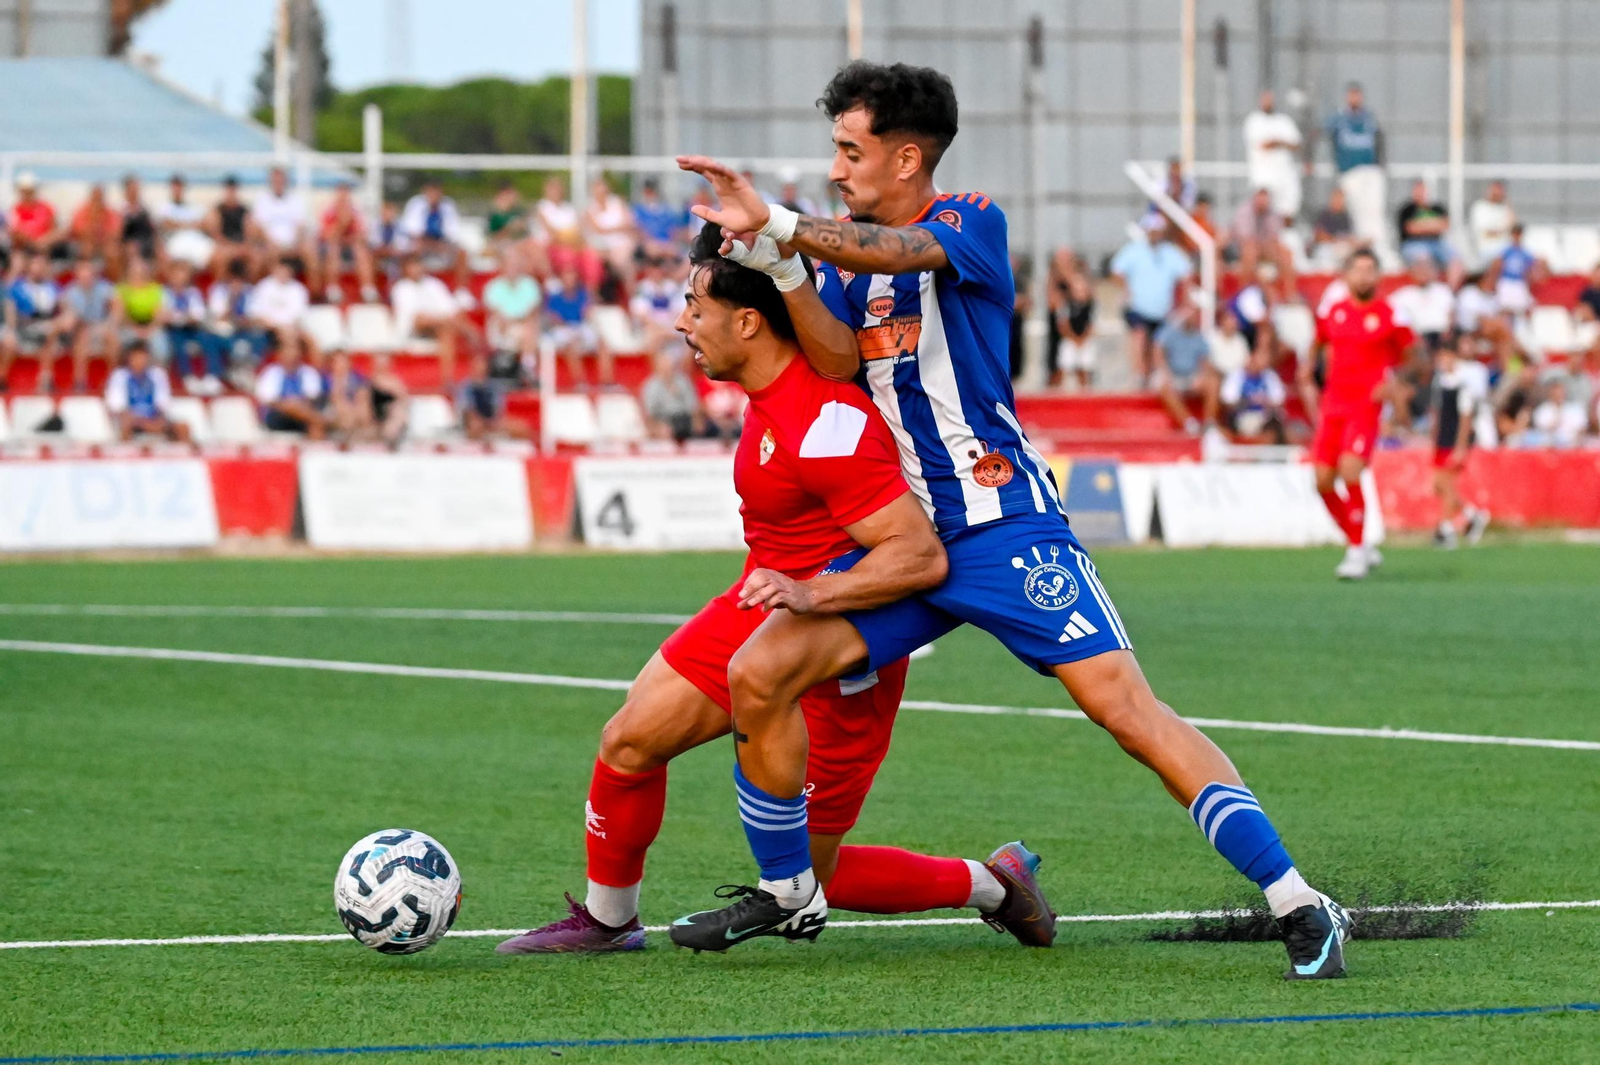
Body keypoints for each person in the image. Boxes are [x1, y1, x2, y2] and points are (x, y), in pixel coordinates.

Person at [672, 60, 1352, 979]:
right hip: (909, 542)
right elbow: (834, 361)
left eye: (851, 149)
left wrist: (786, 226)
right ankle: (793, 893)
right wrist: (784, 262)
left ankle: (1298, 901)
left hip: (1004, 528)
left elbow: (896, 255)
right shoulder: (848, 260)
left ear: (907, 157)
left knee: (1127, 712)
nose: (838, 167)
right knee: (762, 669)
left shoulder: (968, 220)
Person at [497, 223, 1050, 956]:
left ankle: (994, 882)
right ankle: (608, 922)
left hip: (837, 649)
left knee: (819, 878)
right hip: (759, 607)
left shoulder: (830, 423)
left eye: (696, 306)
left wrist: (811, 594)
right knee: (628, 741)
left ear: (748, 322)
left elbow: (918, 557)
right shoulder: (772, 393)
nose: (681, 322)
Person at [1305, 249, 1412, 581]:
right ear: (1347, 275)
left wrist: (1395, 384)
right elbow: (1318, 345)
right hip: (1333, 403)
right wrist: (1308, 372)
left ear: (1378, 276)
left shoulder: (1389, 314)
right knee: (1322, 481)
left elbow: (1413, 356)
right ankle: (1359, 542)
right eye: (1359, 269)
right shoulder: (1334, 313)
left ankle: (1354, 552)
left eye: (1371, 269)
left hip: (1364, 405)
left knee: (1350, 468)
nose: (1365, 276)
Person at [1111, 220, 1192, 385]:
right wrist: (1126, 290)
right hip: (1138, 307)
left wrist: (1184, 299)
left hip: (1161, 310)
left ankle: (1152, 376)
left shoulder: (1170, 253)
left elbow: (1186, 275)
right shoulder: (1134, 250)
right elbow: (1116, 271)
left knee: (1156, 344)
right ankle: (1139, 374)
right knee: (1139, 335)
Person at [1428, 340, 1490, 548]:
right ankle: (1471, 514)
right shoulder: (1440, 383)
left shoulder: (1462, 386)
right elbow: (1437, 414)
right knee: (1440, 485)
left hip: (1453, 441)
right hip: (1441, 441)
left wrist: (1461, 447)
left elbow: (1465, 418)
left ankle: (1447, 528)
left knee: (1446, 483)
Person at [1321, 82, 1387, 256]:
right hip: (1349, 171)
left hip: (1370, 170)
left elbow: (1379, 139)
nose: (1354, 98)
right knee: (1355, 211)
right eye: (1352, 94)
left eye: (1357, 95)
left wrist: (1380, 165)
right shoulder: (1339, 118)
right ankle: (1358, 249)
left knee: (1373, 210)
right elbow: (1321, 134)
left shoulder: (1369, 117)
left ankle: (1376, 247)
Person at [391, 254, 470, 388]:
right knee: (446, 325)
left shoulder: (434, 284)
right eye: (412, 266)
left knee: (446, 331)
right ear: (405, 269)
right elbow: (416, 318)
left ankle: (447, 378)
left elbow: (451, 309)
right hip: (413, 329)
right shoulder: (401, 288)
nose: (416, 269)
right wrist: (444, 319)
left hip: (438, 326)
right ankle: (469, 332)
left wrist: (445, 320)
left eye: (417, 265)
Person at [0, 252, 70, 393]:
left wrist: (63, 319)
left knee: (52, 331)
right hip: (23, 327)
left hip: (47, 327)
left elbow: (65, 308)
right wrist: (11, 330)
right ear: (29, 266)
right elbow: (11, 311)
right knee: (9, 340)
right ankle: (2, 377)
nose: (39, 267)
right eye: (36, 264)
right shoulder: (17, 287)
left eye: (43, 264)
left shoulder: (53, 287)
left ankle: (45, 379)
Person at [1150, 301, 1219, 435]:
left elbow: (1204, 360)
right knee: (1163, 384)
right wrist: (1165, 372)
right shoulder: (1170, 331)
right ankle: (1189, 423)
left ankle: (1209, 424)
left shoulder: (1199, 337)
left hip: (1191, 376)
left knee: (1213, 382)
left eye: (1193, 313)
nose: (1190, 316)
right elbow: (1158, 350)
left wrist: (1203, 374)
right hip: (1172, 374)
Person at [105, 339, 189, 442]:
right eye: (136, 357)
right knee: (126, 423)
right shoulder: (120, 376)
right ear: (129, 358)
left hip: (154, 418)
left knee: (182, 427)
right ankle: (125, 454)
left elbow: (164, 403)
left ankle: (180, 456)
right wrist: (140, 421)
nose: (140, 361)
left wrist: (157, 420)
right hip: (133, 421)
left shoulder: (157, 375)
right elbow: (116, 405)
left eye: (143, 357)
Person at [545, 265, 613, 390]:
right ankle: (580, 382)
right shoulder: (555, 298)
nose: (569, 280)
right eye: (566, 277)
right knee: (570, 345)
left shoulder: (583, 295)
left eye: (572, 277)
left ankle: (607, 382)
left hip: (580, 326)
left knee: (602, 343)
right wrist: (571, 329)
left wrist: (589, 306)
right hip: (563, 328)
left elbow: (586, 314)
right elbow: (554, 319)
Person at [398, 179, 470, 296]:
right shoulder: (416, 204)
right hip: (422, 245)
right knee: (413, 249)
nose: (433, 195)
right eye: (430, 191)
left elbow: (453, 232)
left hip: (441, 245)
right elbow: (413, 231)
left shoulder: (448, 206)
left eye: (436, 191)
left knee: (462, 253)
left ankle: (461, 291)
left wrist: (440, 245)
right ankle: (409, 285)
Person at [162, 259, 222, 396]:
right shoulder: (164, 292)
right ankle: (187, 376)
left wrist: (181, 317)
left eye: (182, 274)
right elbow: (165, 315)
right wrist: (182, 317)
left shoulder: (193, 293)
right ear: (170, 275)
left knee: (209, 338)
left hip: (192, 328)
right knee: (177, 341)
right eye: (176, 274)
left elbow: (198, 314)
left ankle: (212, 376)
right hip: (172, 330)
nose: (179, 278)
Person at [250, 167, 317, 290]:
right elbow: (257, 227)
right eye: (275, 180)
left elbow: (300, 225)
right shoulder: (262, 200)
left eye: (281, 180)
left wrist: (295, 242)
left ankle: (315, 293)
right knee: (259, 257)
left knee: (311, 252)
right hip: (270, 244)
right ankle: (263, 294)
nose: (278, 183)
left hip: (294, 244)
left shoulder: (296, 199)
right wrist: (271, 243)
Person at [58, 258, 117, 393]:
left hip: (101, 326)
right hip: (80, 329)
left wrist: (108, 323)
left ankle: (112, 380)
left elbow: (117, 308)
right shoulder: (70, 291)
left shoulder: (104, 287)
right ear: (77, 274)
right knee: (82, 336)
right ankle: (80, 381)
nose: (86, 276)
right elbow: (68, 314)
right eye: (82, 272)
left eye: (88, 272)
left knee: (112, 337)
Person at [207, 259, 269, 387]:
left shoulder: (250, 291)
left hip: (244, 329)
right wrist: (232, 299)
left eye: (240, 281)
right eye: (233, 281)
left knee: (259, 336)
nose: (237, 284)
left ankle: (248, 370)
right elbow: (220, 317)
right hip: (224, 330)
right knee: (213, 337)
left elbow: (255, 317)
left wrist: (241, 321)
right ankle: (218, 373)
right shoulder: (218, 290)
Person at [482, 247, 542, 379]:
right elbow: (495, 313)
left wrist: (518, 323)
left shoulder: (530, 285)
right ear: (503, 266)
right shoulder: (493, 287)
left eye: (516, 263)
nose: (513, 268)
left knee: (529, 327)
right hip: (503, 326)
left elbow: (532, 311)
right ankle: (526, 366)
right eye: (510, 264)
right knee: (518, 329)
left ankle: (527, 367)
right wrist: (511, 323)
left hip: (523, 326)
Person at [1243, 90, 1302, 223]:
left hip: (1285, 174)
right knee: (1264, 214)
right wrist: (1282, 142)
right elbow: (1264, 144)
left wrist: (1277, 142)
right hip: (1264, 176)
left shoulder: (1284, 121)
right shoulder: (1254, 121)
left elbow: (1296, 143)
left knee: (1288, 211)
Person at [247, 256, 316, 366]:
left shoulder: (298, 289)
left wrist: (289, 327)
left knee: (312, 341)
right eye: (281, 269)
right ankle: (289, 369)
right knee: (288, 337)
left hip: (291, 327)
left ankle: (315, 372)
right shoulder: (264, 286)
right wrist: (275, 326)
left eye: (287, 270)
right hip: (268, 327)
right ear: (275, 269)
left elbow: (299, 315)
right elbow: (254, 313)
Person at [318, 182, 380, 304]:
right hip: (333, 247)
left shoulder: (356, 212)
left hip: (351, 246)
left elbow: (362, 235)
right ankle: (332, 288)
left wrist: (348, 238)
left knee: (361, 251)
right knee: (333, 249)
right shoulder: (328, 212)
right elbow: (327, 236)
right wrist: (342, 224)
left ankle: (368, 289)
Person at [1219, 338, 1290, 443]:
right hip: (1244, 415)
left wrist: (1265, 401)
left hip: (1266, 415)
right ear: (1252, 359)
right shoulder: (1237, 375)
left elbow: (1279, 398)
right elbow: (1228, 401)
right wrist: (1250, 400)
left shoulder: (1269, 375)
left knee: (1276, 421)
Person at [254, 339, 325, 437]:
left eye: (294, 350)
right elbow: (270, 401)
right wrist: (290, 405)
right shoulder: (271, 373)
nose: (291, 354)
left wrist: (297, 406)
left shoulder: (308, 373)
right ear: (280, 354)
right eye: (288, 350)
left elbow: (312, 397)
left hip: (302, 416)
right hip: (278, 417)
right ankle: (321, 422)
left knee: (310, 419)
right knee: (312, 420)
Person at [1229, 186, 1296, 289]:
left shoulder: (1272, 213)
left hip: (1264, 248)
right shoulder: (1244, 212)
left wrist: (1268, 247)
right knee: (1250, 251)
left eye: (1265, 200)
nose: (1263, 202)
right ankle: (1243, 291)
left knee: (1286, 253)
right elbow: (1245, 238)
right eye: (1260, 199)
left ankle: (1290, 293)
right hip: (1241, 248)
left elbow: (1275, 236)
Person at [1388, 253, 1455, 353]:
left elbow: (1451, 315)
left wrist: (1447, 335)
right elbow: (1398, 321)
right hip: (1417, 340)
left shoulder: (1443, 290)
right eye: (1419, 268)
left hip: (1441, 337)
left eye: (1426, 268)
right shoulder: (1401, 295)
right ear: (1412, 271)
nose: (1423, 272)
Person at [1397, 180, 1460, 284]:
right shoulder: (1407, 209)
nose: (1420, 193)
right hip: (1413, 244)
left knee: (1456, 261)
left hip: (1437, 243)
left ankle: (1450, 292)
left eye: (1422, 190)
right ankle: (1432, 290)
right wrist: (1433, 225)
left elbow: (1445, 225)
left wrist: (1421, 225)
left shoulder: (1437, 208)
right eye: (1418, 190)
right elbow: (1411, 229)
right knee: (1424, 259)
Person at [1049, 251, 1095, 390]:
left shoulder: (1090, 305)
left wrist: (1083, 339)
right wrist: (1073, 338)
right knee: (1064, 364)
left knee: (1084, 366)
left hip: (1084, 340)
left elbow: (1092, 324)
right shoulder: (1066, 304)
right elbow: (1063, 323)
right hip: (1070, 339)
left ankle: (1084, 390)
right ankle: (1058, 390)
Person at [112, 256, 169, 363]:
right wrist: (136, 330)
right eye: (134, 272)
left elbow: (158, 316)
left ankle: (159, 375)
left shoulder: (156, 289)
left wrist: (148, 330)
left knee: (161, 347)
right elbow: (121, 314)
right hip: (128, 325)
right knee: (114, 339)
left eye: (140, 272)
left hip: (150, 326)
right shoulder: (121, 289)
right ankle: (118, 373)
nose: (137, 275)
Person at [640, 347, 704, 442]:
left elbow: (693, 406)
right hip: (664, 420)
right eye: (664, 364)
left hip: (684, 419)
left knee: (701, 427)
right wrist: (658, 427)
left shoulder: (683, 381)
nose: (667, 367)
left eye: (669, 364)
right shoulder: (650, 386)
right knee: (665, 431)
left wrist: (697, 421)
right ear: (657, 366)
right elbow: (649, 414)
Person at [456, 352, 523, 441]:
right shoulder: (466, 387)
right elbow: (466, 412)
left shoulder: (493, 387)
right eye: (478, 365)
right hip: (473, 422)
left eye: (483, 365)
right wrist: (480, 421)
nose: (481, 368)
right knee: (475, 425)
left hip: (492, 422)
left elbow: (498, 410)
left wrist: (492, 422)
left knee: (520, 427)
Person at [156, 173, 213, 270]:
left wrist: (179, 224)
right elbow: (167, 224)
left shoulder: (194, 207)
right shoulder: (164, 207)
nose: (177, 190)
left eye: (180, 187)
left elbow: (205, 224)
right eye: (175, 187)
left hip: (195, 241)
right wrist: (191, 224)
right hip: (174, 242)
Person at [584, 177, 638, 277]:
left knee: (623, 261)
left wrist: (607, 229)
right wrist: (617, 228)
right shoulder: (591, 208)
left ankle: (631, 289)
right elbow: (598, 230)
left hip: (621, 243)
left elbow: (629, 224)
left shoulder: (617, 202)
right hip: (601, 246)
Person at [205, 175, 255, 279]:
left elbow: (249, 233)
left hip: (241, 245)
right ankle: (221, 287)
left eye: (233, 189)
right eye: (229, 189)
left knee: (256, 258)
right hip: (224, 245)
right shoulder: (218, 210)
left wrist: (242, 247)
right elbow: (216, 234)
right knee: (219, 258)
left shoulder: (244, 210)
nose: (231, 193)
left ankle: (248, 288)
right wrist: (231, 248)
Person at [10, 172, 64, 258]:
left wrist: (44, 241)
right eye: (24, 191)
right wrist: (32, 241)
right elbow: (15, 232)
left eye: (29, 191)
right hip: (24, 249)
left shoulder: (46, 208)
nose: (27, 195)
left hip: (46, 248)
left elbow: (57, 230)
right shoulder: (16, 210)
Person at [67, 185, 122, 269]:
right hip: (86, 242)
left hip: (104, 244)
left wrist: (102, 238)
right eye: (95, 197)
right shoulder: (82, 211)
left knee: (113, 253)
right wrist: (93, 220)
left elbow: (116, 233)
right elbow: (79, 232)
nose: (97, 200)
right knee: (86, 250)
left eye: (99, 197)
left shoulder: (110, 212)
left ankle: (112, 280)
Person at [633, 177, 688, 260]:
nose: (650, 194)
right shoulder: (638, 210)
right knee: (652, 249)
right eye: (648, 191)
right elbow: (638, 230)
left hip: (666, 243)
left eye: (651, 191)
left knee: (676, 252)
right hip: (648, 244)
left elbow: (674, 230)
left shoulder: (666, 210)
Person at [1495, 224, 1542, 320]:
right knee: (1504, 308)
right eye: (1515, 234)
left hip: (1519, 282)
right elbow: (1498, 266)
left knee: (1524, 308)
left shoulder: (1526, 253)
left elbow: (1529, 271)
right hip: (1507, 280)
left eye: (1519, 234)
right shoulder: (1505, 251)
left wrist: (1528, 285)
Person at [324, 350, 373, 441]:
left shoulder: (357, 377)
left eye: (343, 361)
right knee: (345, 415)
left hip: (354, 410)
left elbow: (363, 396)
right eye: (337, 361)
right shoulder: (328, 379)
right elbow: (334, 399)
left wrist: (359, 410)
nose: (341, 365)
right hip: (334, 411)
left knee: (363, 409)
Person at [1469, 179, 1516, 268]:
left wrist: (1508, 204)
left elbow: (1514, 227)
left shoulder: (1503, 209)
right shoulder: (1480, 207)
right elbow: (1486, 233)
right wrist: (1503, 230)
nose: (1496, 194)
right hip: (1487, 249)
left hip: (1505, 249)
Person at [1529, 378, 1586, 447]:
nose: (1558, 394)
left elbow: (1581, 428)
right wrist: (1557, 413)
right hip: (1548, 444)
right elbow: (1542, 429)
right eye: (1555, 391)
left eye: (1560, 391)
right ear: (1550, 393)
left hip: (1571, 444)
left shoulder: (1575, 409)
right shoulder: (1542, 410)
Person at [119, 173, 158, 274]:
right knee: (132, 248)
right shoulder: (120, 209)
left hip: (145, 242)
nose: (135, 192)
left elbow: (152, 229)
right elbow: (120, 232)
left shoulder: (145, 208)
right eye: (132, 188)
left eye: (136, 189)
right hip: (127, 242)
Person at [1310, 187, 1357, 270]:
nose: (1339, 201)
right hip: (1325, 248)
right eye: (1336, 198)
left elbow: (1348, 235)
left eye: (1341, 199)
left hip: (1341, 248)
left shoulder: (1345, 216)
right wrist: (1336, 240)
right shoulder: (1324, 215)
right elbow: (1318, 236)